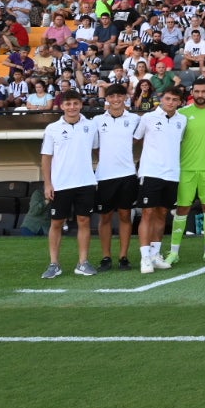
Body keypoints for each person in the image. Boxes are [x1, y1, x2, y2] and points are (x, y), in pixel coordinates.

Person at [39, 90, 99, 279]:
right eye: (68, 104)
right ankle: (54, 264)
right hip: (61, 184)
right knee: (57, 223)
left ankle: (83, 263)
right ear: (62, 106)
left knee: (84, 221)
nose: (72, 107)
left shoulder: (91, 126)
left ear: (81, 105)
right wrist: (48, 184)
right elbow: (46, 158)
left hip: (86, 183)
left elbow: (96, 150)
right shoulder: (52, 129)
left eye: (75, 103)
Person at [170, 77, 205, 265]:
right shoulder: (182, 113)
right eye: (197, 91)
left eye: (204, 91)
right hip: (186, 169)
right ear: (192, 92)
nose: (200, 95)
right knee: (182, 209)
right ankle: (174, 252)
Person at [132, 88, 187, 273]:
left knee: (162, 214)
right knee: (147, 213)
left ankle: (155, 255)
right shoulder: (147, 118)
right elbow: (135, 140)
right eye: (168, 99)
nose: (170, 102)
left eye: (175, 100)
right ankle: (145, 257)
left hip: (172, 174)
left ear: (180, 102)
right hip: (150, 172)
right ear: (161, 99)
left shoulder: (182, 120)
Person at [92, 82, 141, 270]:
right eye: (112, 97)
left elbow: (138, 140)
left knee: (125, 215)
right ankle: (106, 257)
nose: (116, 100)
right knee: (104, 217)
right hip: (104, 176)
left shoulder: (134, 119)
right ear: (107, 99)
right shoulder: (97, 120)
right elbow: (96, 148)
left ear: (125, 98)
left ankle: (123, 257)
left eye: (119, 96)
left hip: (128, 175)